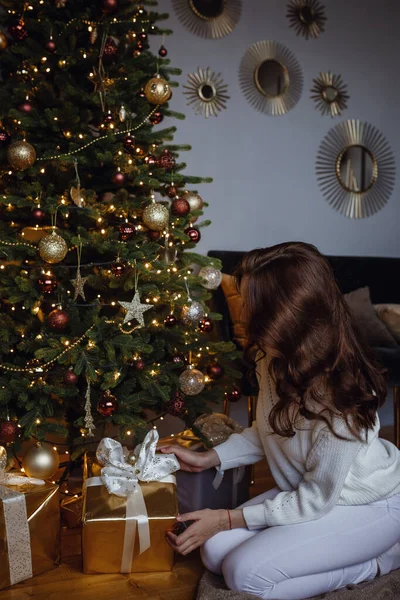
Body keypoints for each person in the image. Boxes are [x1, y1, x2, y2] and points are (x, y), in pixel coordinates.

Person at [161, 242, 400, 600]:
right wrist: (210, 458)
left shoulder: (341, 394)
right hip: (310, 491)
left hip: (366, 504)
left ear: (284, 312)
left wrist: (226, 518)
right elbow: (269, 431)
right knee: (213, 552)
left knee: (244, 575)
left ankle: (376, 562)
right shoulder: (271, 360)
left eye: (250, 301)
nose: (241, 310)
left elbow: (315, 501)